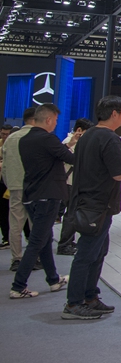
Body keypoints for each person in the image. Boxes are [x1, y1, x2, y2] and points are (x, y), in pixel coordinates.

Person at [61, 96, 121, 320]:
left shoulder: (87, 136)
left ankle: (90, 297)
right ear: (114, 113)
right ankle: (74, 303)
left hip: (88, 202)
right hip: (98, 205)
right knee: (87, 254)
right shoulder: (110, 138)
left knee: (97, 252)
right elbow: (118, 174)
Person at [9, 104, 74, 299]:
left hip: (31, 194)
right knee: (37, 241)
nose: (55, 124)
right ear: (48, 120)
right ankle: (18, 286)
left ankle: (53, 280)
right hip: (48, 195)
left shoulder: (25, 140)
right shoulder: (47, 139)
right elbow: (70, 158)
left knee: (44, 239)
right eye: (54, 120)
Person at [2, 107, 37, 270]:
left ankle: (16, 259)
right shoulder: (39, 137)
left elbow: (5, 166)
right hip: (35, 187)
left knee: (15, 223)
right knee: (35, 224)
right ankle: (34, 258)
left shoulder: (11, 138)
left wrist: (9, 183)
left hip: (15, 186)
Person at [57, 118, 92, 256]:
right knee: (71, 214)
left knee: (71, 214)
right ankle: (64, 244)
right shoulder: (69, 143)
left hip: (71, 183)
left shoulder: (70, 142)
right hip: (70, 183)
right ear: (79, 130)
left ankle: (68, 242)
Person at [0, 123, 11, 249]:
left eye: (7, 134)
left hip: (12, 183)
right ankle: (6, 238)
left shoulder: (13, 144)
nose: (4, 136)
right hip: (2, 183)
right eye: (2, 134)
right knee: (3, 212)